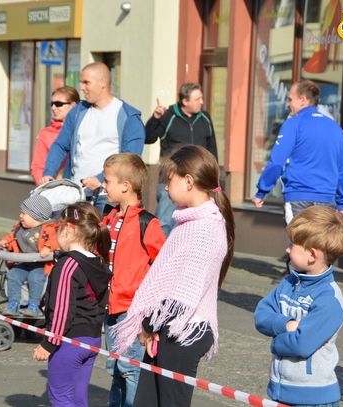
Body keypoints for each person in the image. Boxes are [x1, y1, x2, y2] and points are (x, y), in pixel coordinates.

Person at [113, 145, 235, 407]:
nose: (166, 188)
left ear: (188, 181)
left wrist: (149, 324)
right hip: (167, 329)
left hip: (183, 332)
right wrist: (151, 326)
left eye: (170, 180)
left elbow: (183, 293)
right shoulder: (187, 223)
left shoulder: (206, 229)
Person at [254, 205, 343, 407]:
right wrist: (286, 324)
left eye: (292, 245)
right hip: (280, 390)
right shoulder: (288, 283)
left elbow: (301, 344)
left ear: (312, 255)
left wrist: (274, 343)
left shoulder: (329, 299)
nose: (287, 249)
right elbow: (261, 315)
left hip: (314, 397)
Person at [101, 153, 166, 407]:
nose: (104, 186)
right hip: (111, 307)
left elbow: (163, 264)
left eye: (107, 181)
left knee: (130, 368)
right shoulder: (109, 218)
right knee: (115, 368)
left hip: (132, 310)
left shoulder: (147, 223)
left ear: (125, 185)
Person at [32, 202, 111, 407]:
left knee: (61, 398)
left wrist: (49, 343)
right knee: (78, 398)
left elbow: (61, 309)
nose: (55, 231)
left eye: (57, 227)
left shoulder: (67, 265)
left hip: (68, 341)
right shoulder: (98, 262)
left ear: (69, 229)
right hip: (92, 339)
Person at [41, 62, 146, 214]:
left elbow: (131, 160)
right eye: (81, 82)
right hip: (76, 193)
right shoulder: (77, 112)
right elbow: (60, 145)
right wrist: (49, 172)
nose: (82, 88)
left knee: (101, 238)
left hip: (106, 196)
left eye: (86, 82)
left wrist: (100, 178)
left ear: (102, 83)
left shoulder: (128, 116)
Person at [252, 79, 343, 224]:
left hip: (298, 198)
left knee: (297, 246)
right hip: (327, 201)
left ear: (303, 100)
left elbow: (277, 162)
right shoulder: (335, 128)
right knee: (319, 246)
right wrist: (342, 204)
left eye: (290, 99)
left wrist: (262, 191)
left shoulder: (293, 124)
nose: (287, 104)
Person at [145, 83, 217, 235]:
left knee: (197, 222)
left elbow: (212, 148)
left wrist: (214, 179)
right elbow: (148, 138)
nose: (202, 102)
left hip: (198, 180)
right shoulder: (167, 116)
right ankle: (159, 254)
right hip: (171, 179)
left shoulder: (205, 118)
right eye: (198, 98)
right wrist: (155, 119)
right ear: (185, 101)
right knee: (165, 222)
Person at [0, 194, 58, 317]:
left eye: (24, 213)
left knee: (36, 278)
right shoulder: (19, 228)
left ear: (36, 216)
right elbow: (11, 237)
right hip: (22, 263)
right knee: (13, 275)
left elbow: (55, 240)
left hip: (40, 264)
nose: (20, 216)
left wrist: (48, 247)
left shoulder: (48, 229)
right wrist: (4, 242)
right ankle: (13, 304)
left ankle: (34, 306)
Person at [30, 86, 80, 185]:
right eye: (52, 104)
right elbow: (38, 166)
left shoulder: (82, 129)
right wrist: (46, 185)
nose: (53, 108)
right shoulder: (45, 133)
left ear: (73, 105)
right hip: (55, 189)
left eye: (58, 104)